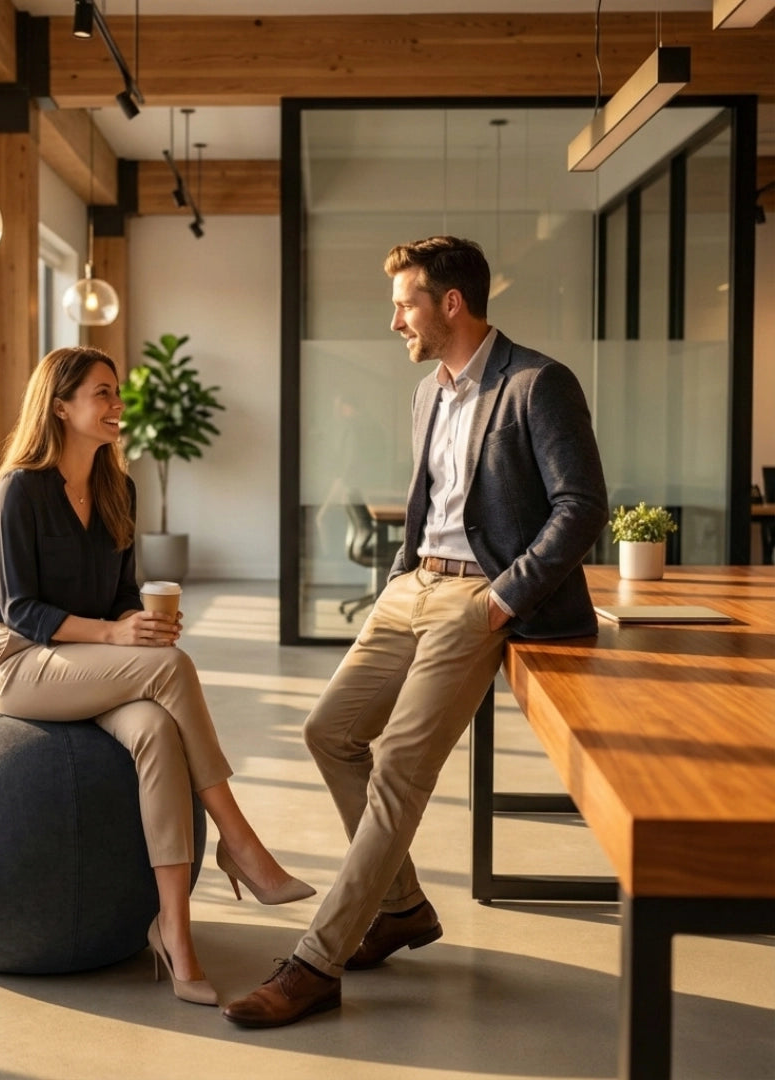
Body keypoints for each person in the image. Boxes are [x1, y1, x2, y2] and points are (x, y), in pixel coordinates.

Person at [223, 236, 608, 1028]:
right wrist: (402, 576)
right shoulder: (428, 393)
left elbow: (582, 507)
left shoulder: (537, 383)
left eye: (406, 303)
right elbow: (431, 498)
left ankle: (317, 959)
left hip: (481, 600)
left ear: (451, 304)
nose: (394, 318)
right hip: (413, 587)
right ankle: (399, 909)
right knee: (329, 733)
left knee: (399, 761)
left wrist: (503, 601)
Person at [0, 346, 314, 1008]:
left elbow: (120, 596)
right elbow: (19, 608)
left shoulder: (117, 489)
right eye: (102, 393)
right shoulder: (21, 489)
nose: (116, 406)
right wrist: (115, 637)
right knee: (171, 669)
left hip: (85, 663)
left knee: (157, 729)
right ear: (60, 405)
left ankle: (175, 933)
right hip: (19, 661)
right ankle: (239, 841)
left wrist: (139, 625)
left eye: (116, 393)